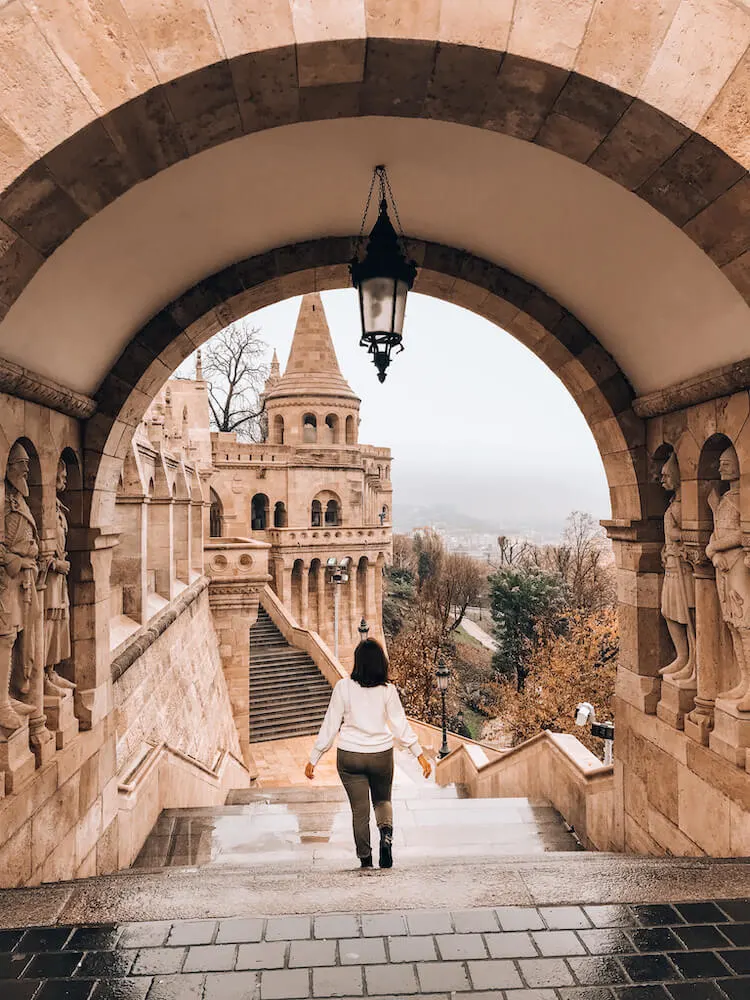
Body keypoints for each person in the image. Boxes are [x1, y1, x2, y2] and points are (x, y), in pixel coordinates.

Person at [305, 639, 432, 869]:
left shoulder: (343, 687)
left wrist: (314, 757)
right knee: (382, 800)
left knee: (359, 811)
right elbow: (400, 726)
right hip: (380, 754)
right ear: (381, 663)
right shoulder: (387, 691)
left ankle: (365, 860)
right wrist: (419, 754)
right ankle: (386, 834)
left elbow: (330, 725)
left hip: (350, 755)